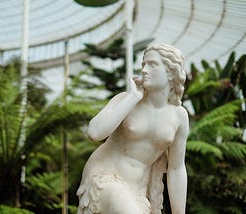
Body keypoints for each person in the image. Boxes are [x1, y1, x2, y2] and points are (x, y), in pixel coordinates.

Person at [77, 44, 188, 214]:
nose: (144, 70)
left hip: (137, 193)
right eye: (143, 64)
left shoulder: (178, 116)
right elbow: (95, 132)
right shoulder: (125, 100)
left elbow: (176, 168)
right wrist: (132, 97)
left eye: (152, 64)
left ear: (170, 72)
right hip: (103, 178)